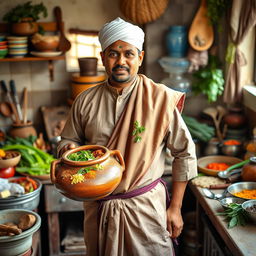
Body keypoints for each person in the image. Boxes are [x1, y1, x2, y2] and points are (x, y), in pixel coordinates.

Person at [57, 17, 197, 256]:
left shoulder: (159, 99)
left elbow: (184, 153)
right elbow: (69, 142)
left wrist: (175, 208)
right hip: (99, 208)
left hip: (146, 209)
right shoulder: (85, 100)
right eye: (113, 54)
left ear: (140, 58)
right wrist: (70, 152)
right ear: (102, 57)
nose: (121, 61)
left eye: (129, 54)